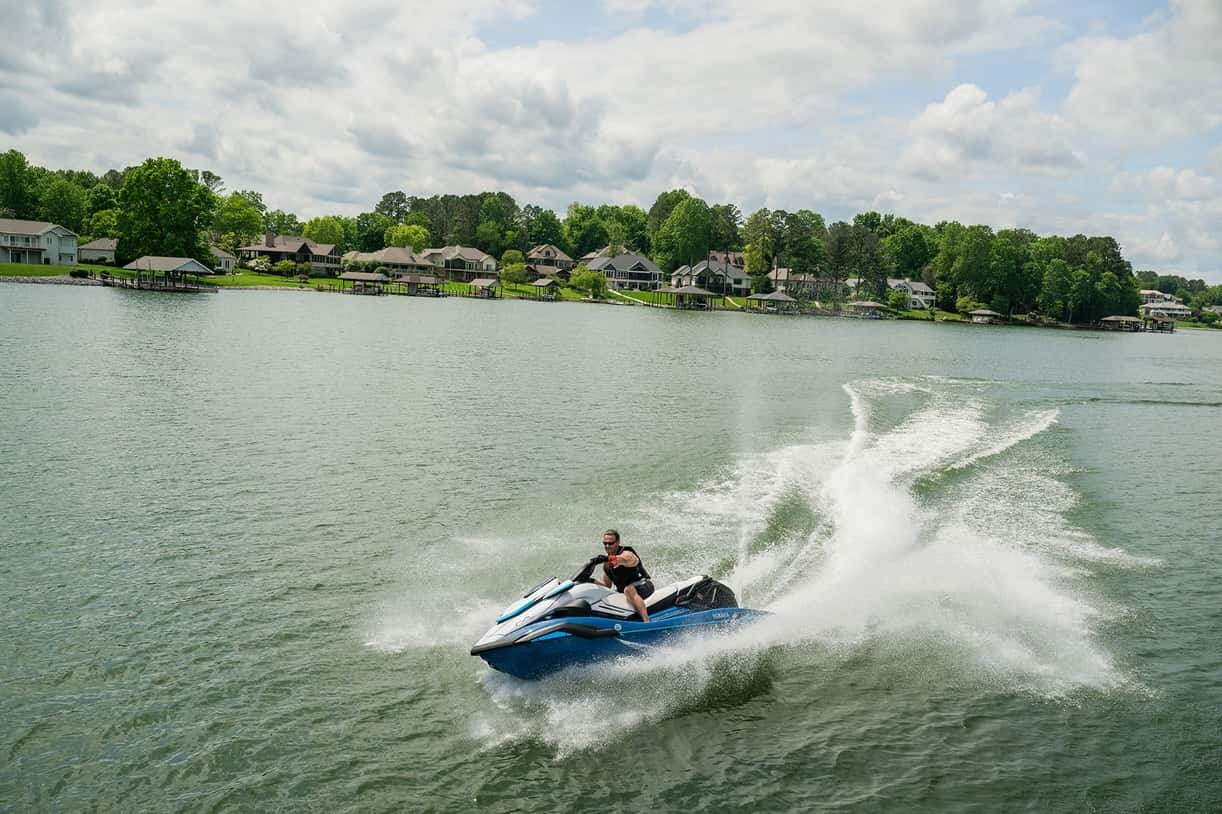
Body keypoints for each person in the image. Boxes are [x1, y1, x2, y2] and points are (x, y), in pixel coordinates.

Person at [597, 529, 653, 622]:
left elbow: (628, 560)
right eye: (605, 543)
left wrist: (610, 559)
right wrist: (589, 580)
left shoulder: (626, 552)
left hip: (643, 586)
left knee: (628, 589)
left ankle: (646, 621)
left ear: (617, 542)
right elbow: (606, 584)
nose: (607, 546)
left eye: (610, 543)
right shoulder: (606, 564)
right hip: (625, 593)